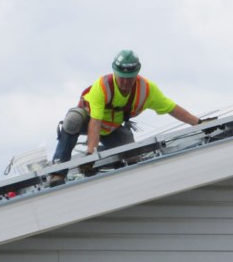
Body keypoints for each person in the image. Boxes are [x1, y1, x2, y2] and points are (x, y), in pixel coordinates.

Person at [48, 49, 203, 186]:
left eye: (129, 78)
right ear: (115, 72)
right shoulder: (102, 87)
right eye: (121, 77)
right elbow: (95, 122)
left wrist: (199, 123)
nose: (124, 82)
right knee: (72, 120)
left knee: (133, 153)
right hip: (88, 121)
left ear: (136, 74)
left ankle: (124, 177)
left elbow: (172, 108)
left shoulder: (147, 90)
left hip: (111, 129)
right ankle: (58, 172)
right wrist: (91, 154)